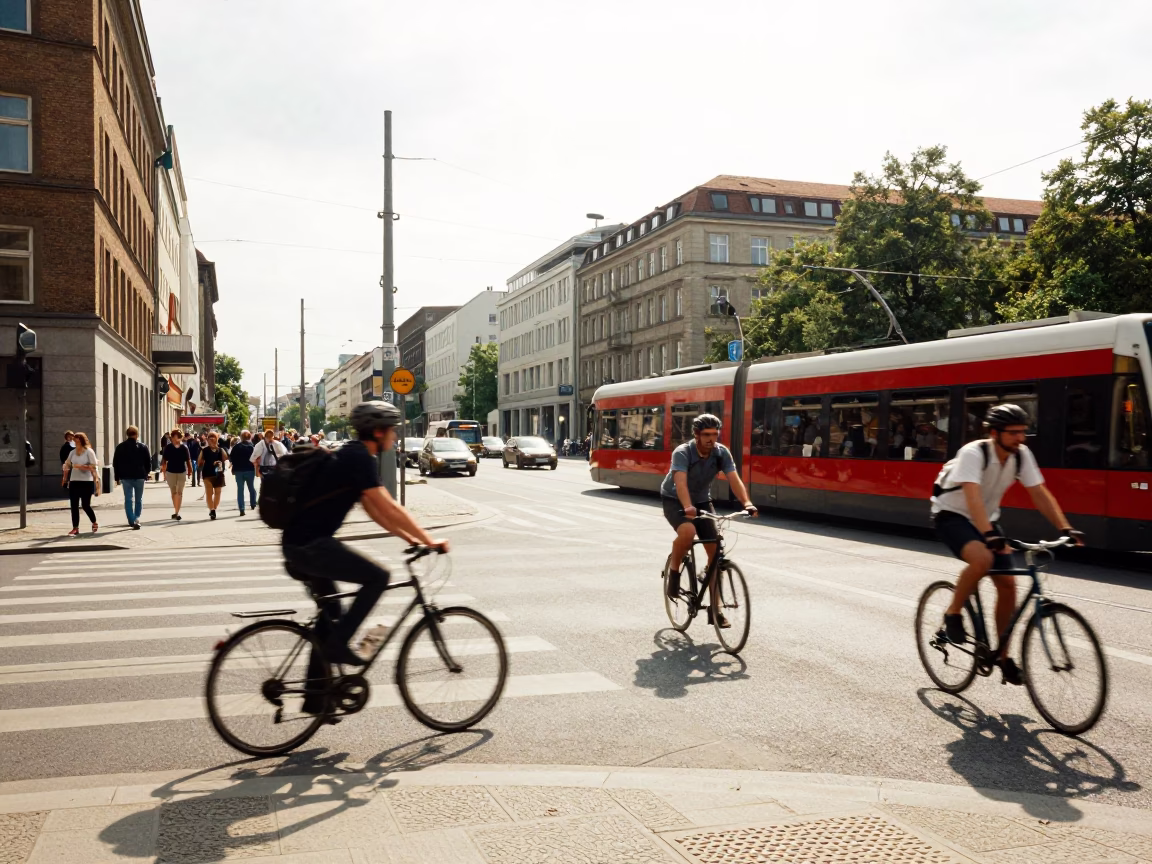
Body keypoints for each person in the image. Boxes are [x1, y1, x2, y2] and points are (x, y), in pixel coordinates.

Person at [281, 401, 449, 697]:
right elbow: (388, 506)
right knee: (378, 577)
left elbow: (376, 511)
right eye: (393, 431)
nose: (395, 437)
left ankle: (316, 698)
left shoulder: (354, 456)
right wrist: (428, 539)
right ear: (378, 431)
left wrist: (409, 538)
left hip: (299, 544)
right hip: (310, 546)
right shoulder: (358, 458)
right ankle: (338, 648)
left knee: (330, 615)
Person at [931, 404, 1084, 685]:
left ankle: (1002, 655)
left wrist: (1065, 527)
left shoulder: (1020, 455)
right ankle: (953, 613)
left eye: (1023, 432)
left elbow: (1038, 492)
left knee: (1008, 585)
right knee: (982, 560)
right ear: (994, 433)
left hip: (985, 519)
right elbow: (972, 495)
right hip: (951, 515)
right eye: (1013, 433)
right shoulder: (974, 453)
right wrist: (989, 535)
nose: (1020, 438)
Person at [659, 413, 757, 625]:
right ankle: (674, 575)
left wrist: (747, 503)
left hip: (702, 500)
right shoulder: (683, 453)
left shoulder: (721, 453)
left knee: (715, 556)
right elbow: (681, 483)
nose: (711, 439)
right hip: (675, 499)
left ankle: (716, 609)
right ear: (696, 435)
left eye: (714, 434)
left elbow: (734, 479)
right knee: (688, 532)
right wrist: (687, 506)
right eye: (706, 435)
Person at [112, 425, 151, 529]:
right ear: (137, 435)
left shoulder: (120, 447)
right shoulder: (143, 447)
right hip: (139, 476)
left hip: (126, 477)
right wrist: (146, 473)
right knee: (139, 499)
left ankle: (131, 520)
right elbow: (148, 462)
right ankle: (137, 518)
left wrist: (117, 477)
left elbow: (115, 463)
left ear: (127, 435)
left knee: (128, 499)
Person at [62, 432, 99, 535]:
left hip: (87, 482)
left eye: (78, 440)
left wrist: (81, 467)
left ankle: (94, 521)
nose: (76, 442)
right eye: (75, 440)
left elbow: (94, 467)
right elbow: (68, 464)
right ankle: (75, 527)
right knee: (73, 505)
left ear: (82, 441)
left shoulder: (89, 452)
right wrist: (65, 474)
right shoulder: (72, 452)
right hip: (74, 481)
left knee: (85, 505)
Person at [160, 429, 193, 521]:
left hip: (181, 471)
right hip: (170, 472)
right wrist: (163, 471)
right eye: (172, 437)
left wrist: (190, 470)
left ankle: (177, 512)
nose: (173, 439)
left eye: (175, 437)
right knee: (173, 492)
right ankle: (176, 510)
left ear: (179, 437)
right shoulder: (168, 447)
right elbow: (164, 460)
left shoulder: (184, 448)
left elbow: (188, 460)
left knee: (179, 492)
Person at [198, 431, 229, 520]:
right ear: (207, 439)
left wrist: (218, 450)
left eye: (213, 437)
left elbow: (225, 458)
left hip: (218, 474)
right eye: (210, 437)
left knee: (218, 493)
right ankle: (212, 509)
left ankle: (213, 509)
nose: (211, 439)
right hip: (207, 474)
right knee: (209, 493)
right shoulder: (204, 450)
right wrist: (201, 461)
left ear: (217, 439)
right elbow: (199, 461)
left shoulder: (220, 450)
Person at [230, 430, 257, 515]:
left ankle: (242, 508)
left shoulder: (236, 447)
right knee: (251, 487)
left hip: (239, 471)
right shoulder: (253, 447)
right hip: (250, 470)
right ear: (250, 437)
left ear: (241, 437)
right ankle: (253, 503)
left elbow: (231, 458)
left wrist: (233, 467)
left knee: (240, 490)